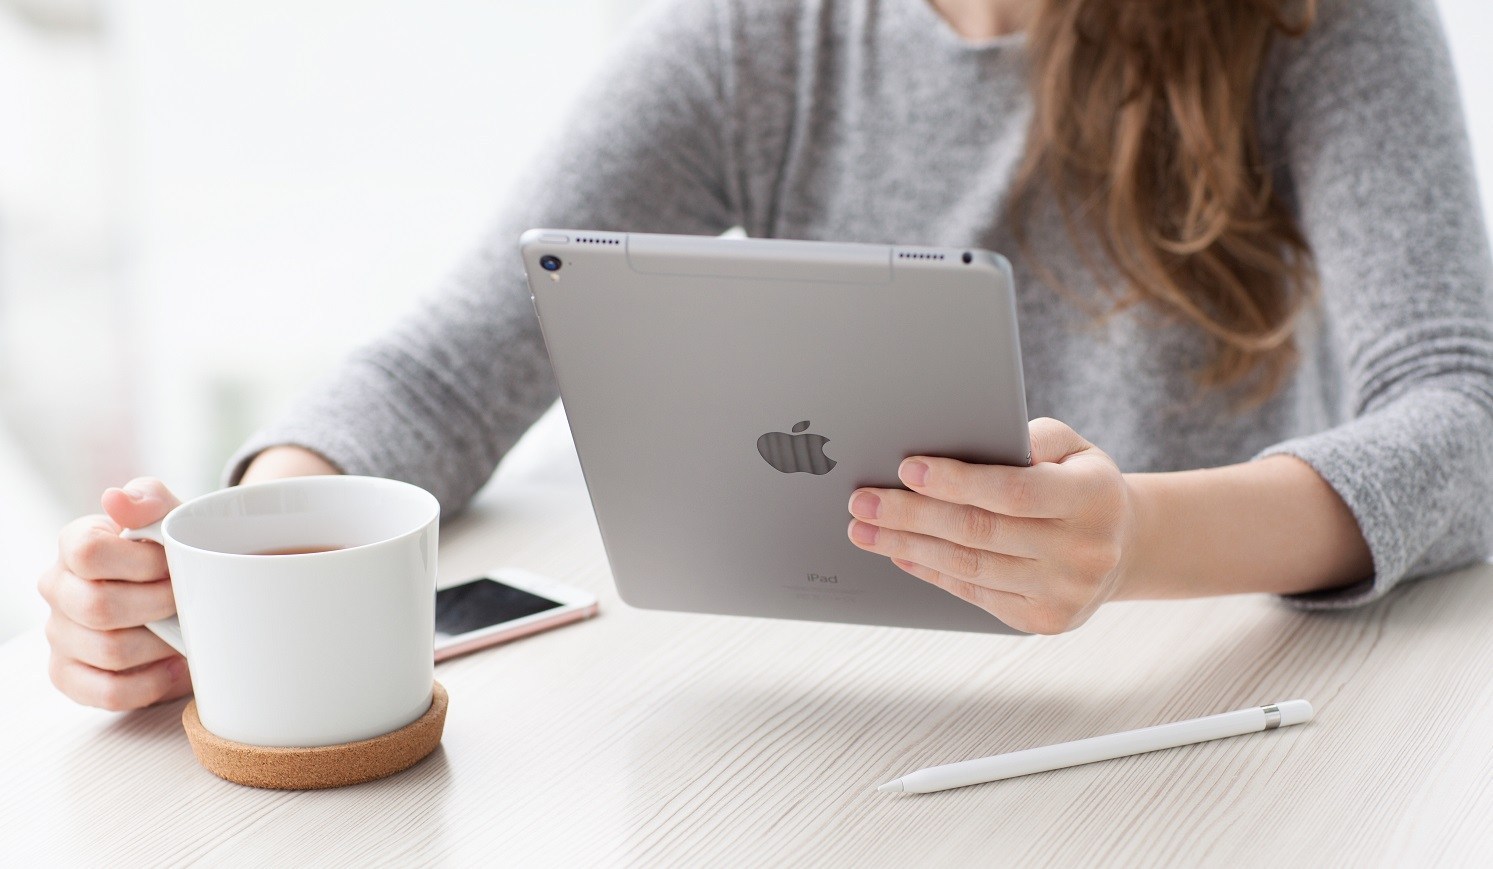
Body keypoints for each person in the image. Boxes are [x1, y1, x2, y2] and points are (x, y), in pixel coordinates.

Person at [38, 0, 1493, 711]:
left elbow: (1463, 413)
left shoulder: (1317, 19)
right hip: (847, 722)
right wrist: (239, 555)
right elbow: (450, 362)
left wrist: (1129, 540)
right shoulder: (768, 39)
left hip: (1222, 712)